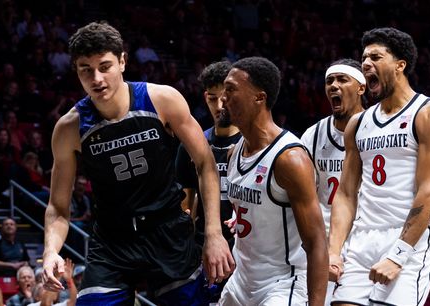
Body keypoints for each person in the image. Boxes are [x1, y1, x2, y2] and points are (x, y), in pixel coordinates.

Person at [41, 21, 234, 305]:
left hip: (168, 232)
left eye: (104, 66)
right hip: (112, 241)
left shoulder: (162, 100)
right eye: (86, 70)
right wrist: (50, 250)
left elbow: (205, 164)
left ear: (122, 61)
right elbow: (58, 208)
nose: (97, 78)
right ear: (76, 71)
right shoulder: (69, 128)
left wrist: (213, 234)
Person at [328, 27, 430, 306]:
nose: (366, 64)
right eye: (363, 58)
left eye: (376, 56)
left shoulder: (429, 115)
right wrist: (334, 251)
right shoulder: (358, 124)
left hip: (410, 239)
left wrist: (398, 254)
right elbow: (346, 193)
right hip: (362, 238)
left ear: (400, 65)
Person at [218, 57, 328, 305]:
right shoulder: (234, 152)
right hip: (241, 281)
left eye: (231, 89)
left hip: (281, 285)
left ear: (259, 97)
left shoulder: (290, 159)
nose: (222, 98)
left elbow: (316, 241)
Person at [300, 58, 365, 305]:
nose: (334, 86)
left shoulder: (377, 131)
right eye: (329, 81)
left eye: (342, 79)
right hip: (325, 238)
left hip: (363, 235)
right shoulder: (313, 135)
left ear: (361, 87)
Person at [175, 60, 241, 248]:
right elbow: (185, 201)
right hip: (205, 244)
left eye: (225, 98)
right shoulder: (192, 145)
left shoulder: (254, 144)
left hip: (247, 244)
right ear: (205, 97)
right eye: (213, 98)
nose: (220, 106)